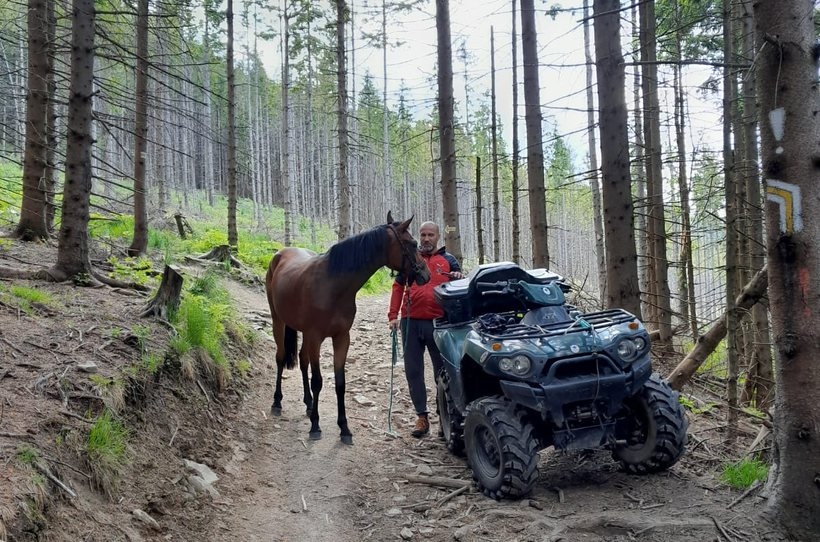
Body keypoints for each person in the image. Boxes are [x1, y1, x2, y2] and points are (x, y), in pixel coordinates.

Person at [388, 221, 464, 437]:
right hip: (410, 322)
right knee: (413, 371)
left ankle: (446, 419)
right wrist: (393, 316)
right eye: (423, 235)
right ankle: (422, 417)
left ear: (438, 237)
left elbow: (459, 289)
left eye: (430, 234)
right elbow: (398, 287)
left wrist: (459, 279)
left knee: (444, 372)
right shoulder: (410, 258)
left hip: (439, 323)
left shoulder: (449, 260)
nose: (426, 238)